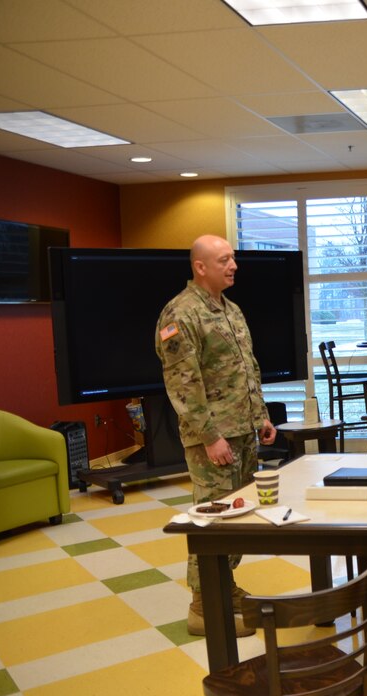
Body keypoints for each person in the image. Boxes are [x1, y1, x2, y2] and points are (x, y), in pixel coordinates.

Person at [155, 234, 277, 637]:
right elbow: (183, 385)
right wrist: (209, 437)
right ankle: (203, 607)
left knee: (239, 515)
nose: (234, 265)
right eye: (224, 259)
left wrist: (260, 415)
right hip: (213, 438)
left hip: (242, 431)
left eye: (233, 258)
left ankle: (224, 586)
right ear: (200, 266)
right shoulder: (180, 313)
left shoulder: (231, 309)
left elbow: (247, 367)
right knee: (212, 517)